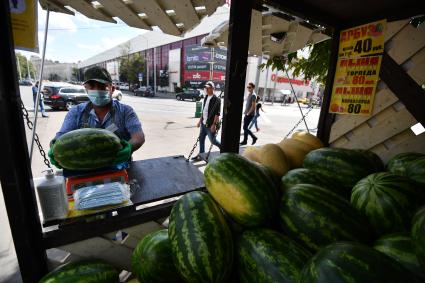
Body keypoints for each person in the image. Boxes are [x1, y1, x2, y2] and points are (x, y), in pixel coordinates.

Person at [54, 66, 145, 152]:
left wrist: (128, 148)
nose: (97, 90)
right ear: (86, 89)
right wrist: (55, 147)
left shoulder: (125, 111)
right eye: (92, 86)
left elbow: (138, 137)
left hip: (120, 166)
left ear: (112, 89)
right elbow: (61, 137)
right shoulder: (76, 112)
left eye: (102, 86)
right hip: (84, 167)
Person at [191, 81, 221, 161]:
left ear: (213, 88)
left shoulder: (216, 100)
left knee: (213, 141)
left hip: (210, 125)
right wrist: (199, 121)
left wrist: (214, 125)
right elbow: (203, 111)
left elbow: (217, 114)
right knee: (201, 140)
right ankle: (201, 155)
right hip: (203, 124)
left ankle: (223, 148)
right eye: (206, 88)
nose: (207, 89)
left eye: (208, 88)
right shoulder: (206, 97)